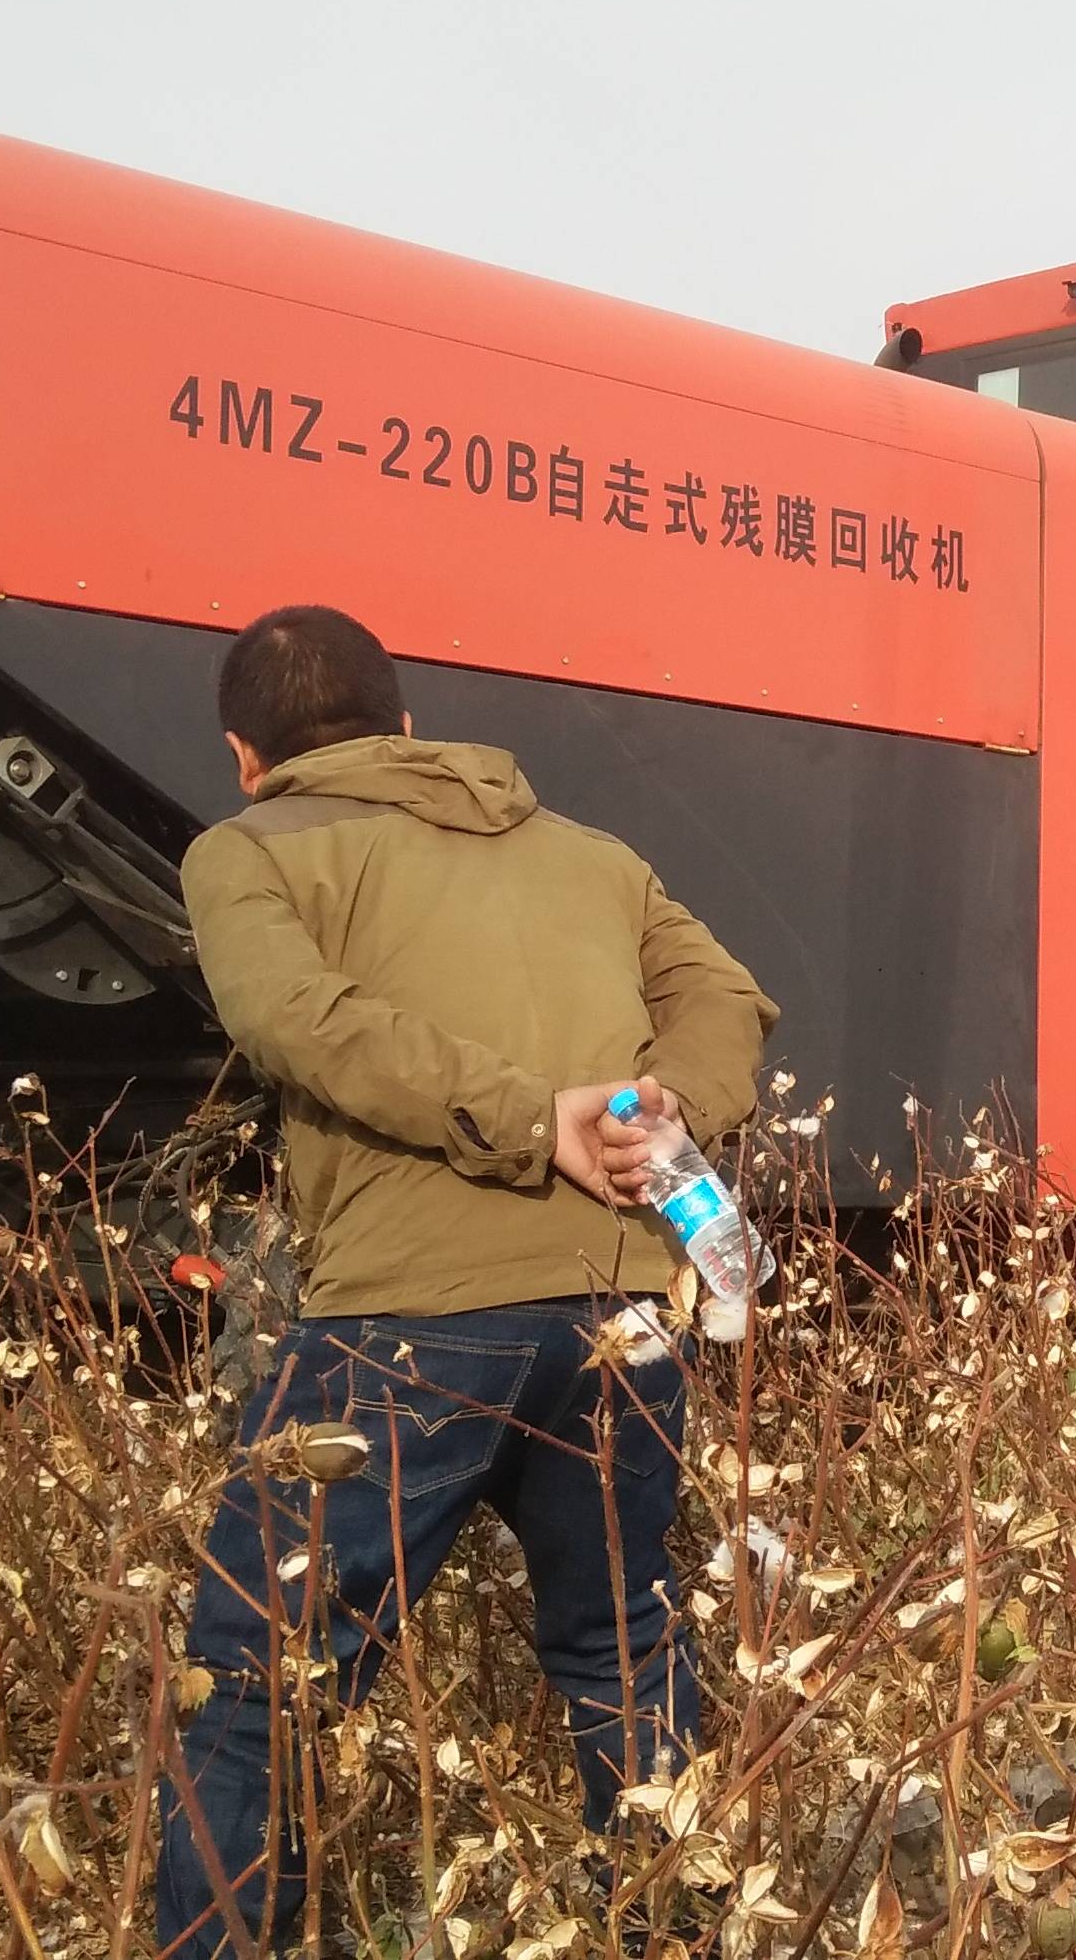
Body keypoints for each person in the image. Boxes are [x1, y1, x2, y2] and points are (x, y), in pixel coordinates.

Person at [157, 604, 778, 1955]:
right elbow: (729, 998)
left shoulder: (244, 849)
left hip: (408, 1321)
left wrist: (526, 1116)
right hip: (624, 1311)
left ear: (243, 754)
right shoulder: (594, 857)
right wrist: (664, 1113)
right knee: (620, 1647)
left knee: (257, 1674)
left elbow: (294, 1024)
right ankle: (660, 1927)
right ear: (411, 730)